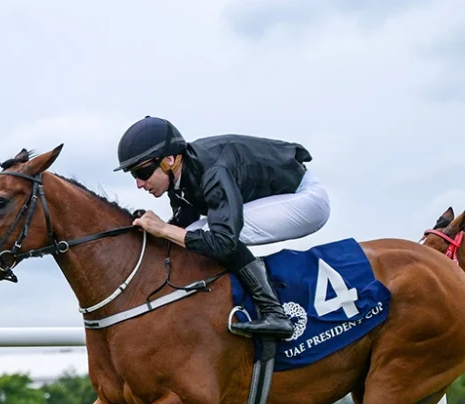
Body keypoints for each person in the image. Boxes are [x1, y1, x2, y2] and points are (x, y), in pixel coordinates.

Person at [114, 116, 331, 340]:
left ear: (169, 160)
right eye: (133, 175)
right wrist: (154, 231)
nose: (139, 184)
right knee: (195, 231)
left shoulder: (213, 172)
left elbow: (224, 242)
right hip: (282, 194)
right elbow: (185, 224)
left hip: (306, 199)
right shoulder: (182, 173)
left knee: (210, 233)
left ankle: (275, 314)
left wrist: (166, 230)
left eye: (141, 173)